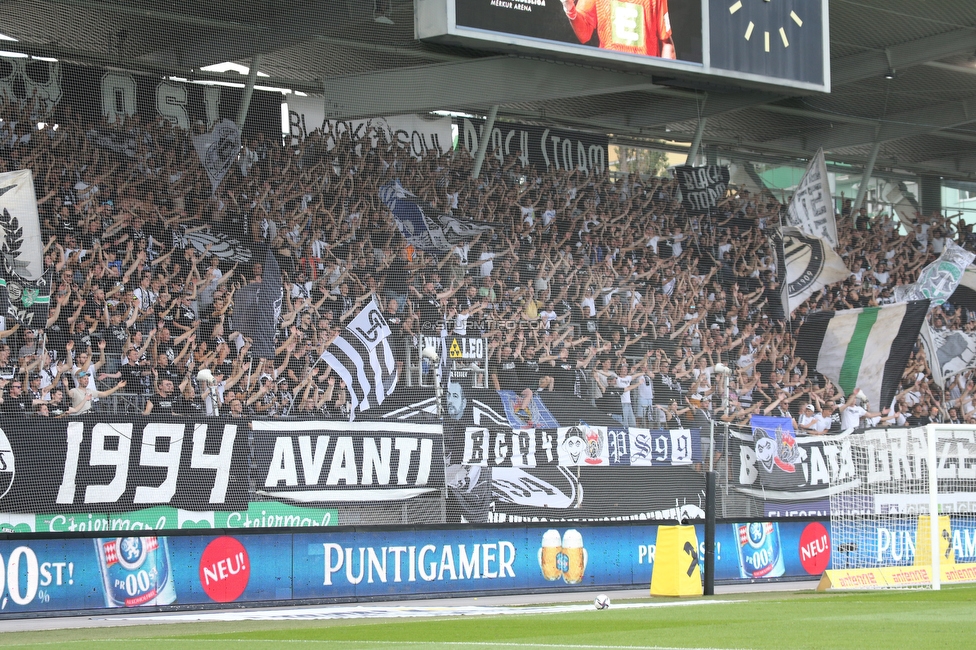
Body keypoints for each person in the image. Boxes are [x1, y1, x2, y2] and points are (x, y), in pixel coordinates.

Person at [559, 0, 676, 59]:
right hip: (609, 72)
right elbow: (584, 35)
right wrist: (570, 8)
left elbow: (667, 43)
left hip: (644, 77)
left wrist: (663, 82)